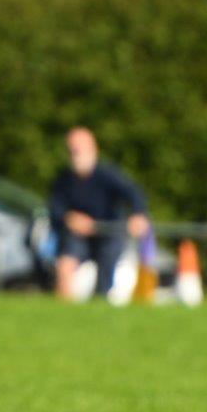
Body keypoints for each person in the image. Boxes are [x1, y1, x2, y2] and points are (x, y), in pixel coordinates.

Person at [48, 127, 151, 302]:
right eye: (72, 151)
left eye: (79, 150)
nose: (75, 155)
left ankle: (100, 302)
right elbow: (55, 209)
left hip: (107, 233)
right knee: (65, 263)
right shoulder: (63, 180)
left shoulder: (107, 175)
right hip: (77, 236)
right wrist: (69, 218)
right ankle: (62, 308)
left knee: (108, 260)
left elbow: (133, 193)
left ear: (92, 149)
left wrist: (138, 215)